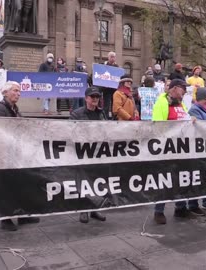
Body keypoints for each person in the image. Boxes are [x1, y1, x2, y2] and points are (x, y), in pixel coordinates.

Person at [0, 81, 41, 231]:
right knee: (7, 188)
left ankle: (22, 215)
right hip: (5, 154)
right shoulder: (0, 108)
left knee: (20, 185)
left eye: (19, 92)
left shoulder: (14, 109)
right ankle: (5, 219)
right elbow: (0, 131)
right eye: (15, 91)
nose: (18, 94)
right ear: (5, 92)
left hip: (16, 153)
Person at [151, 79, 190, 224]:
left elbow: (185, 120)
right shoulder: (162, 102)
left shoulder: (181, 104)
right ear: (174, 89)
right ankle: (159, 211)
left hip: (181, 147)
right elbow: (158, 125)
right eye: (183, 89)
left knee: (181, 179)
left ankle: (180, 207)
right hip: (167, 148)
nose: (185, 92)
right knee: (165, 180)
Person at [69, 87, 108, 223]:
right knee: (83, 182)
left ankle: (94, 209)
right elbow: (71, 132)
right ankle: (83, 210)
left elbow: (107, 130)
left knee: (96, 181)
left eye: (97, 97)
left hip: (98, 153)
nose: (95, 99)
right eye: (92, 97)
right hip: (83, 153)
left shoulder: (102, 113)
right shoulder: (76, 114)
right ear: (86, 98)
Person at [101, 51, 119, 119]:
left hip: (114, 89)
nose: (113, 58)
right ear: (108, 58)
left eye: (114, 57)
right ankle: (105, 117)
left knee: (114, 104)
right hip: (106, 89)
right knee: (106, 104)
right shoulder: (104, 65)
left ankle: (114, 117)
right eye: (111, 57)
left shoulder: (117, 66)